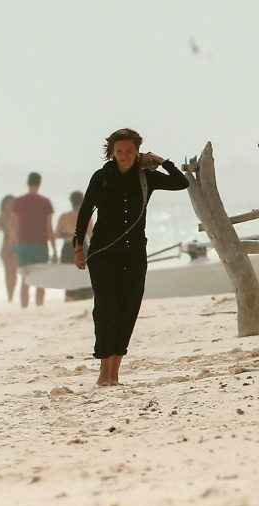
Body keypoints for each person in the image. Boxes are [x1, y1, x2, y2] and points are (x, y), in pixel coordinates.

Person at [73, 128, 189, 386]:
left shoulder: (147, 176)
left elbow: (182, 183)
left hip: (135, 253)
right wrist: (79, 247)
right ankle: (104, 371)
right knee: (105, 309)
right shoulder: (101, 177)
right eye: (119, 151)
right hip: (103, 254)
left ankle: (114, 372)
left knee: (128, 309)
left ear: (138, 152)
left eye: (129, 151)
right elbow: (85, 212)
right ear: (112, 153)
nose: (124, 156)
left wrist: (161, 161)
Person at [13, 172, 57, 308]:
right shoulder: (45, 202)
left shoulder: (18, 202)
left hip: (23, 245)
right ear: (39, 184)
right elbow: (49, 228)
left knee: (25, 279)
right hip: (40, 245)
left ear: (28, 183)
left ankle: (24, 309)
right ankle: (39, 308)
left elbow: (14, 226)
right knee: (40, 280)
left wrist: (14, 246)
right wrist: (54, 249)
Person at [55, 191, 94, 301]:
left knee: (69, 276)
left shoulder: (64, 216)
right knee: (84, 276)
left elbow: (57, 234)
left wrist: (68, 234)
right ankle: (84, 300)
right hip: (82, 247)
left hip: (68, 247)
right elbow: (92, 236)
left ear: (71, 202)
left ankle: (70, 298)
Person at [0, 195, 18, 302]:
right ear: (4, 205)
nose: (10, 205)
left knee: (14, 272)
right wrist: (1, 222)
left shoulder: (18, 215)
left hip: (17, 246)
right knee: (8, 272)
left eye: (12, 203)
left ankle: (11, 295)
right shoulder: (2, 216)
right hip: (6, 246)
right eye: (8, 203)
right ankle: (10, 297)